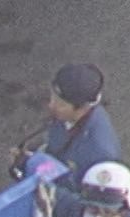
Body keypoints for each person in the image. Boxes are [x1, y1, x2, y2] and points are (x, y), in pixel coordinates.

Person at [14, 62, 122, 190]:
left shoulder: (101, 155)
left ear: (82, 108)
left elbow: (79, 199)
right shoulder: (65, 117)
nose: (51, 105)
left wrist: (30, 165)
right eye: (53, 97)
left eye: (61, 104)